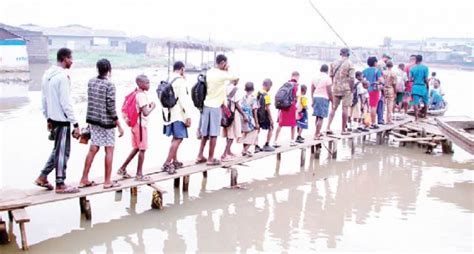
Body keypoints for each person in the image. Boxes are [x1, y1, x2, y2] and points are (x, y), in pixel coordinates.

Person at [35, 48, 81, 194]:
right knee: (63, 152)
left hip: (52, 119)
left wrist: (47, 117)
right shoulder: (62, 77)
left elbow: (43, 99)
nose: (72, 61)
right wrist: (75, 124)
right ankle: (60, 183)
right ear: (64, 58)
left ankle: (43, 176)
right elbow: (65, 103)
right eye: (70, 58)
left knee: (57, 150)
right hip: (62, 120)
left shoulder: (47, 75)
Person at [79, 59, 124, 189]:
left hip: (93, 120)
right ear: (109, 70)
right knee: (109, 149)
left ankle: (84, 178)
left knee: (93, 148)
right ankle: (107, 181)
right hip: (106, 122)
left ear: (97, 68)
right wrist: (119, 124)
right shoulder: (109, 85)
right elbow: (110, 106)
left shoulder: (91, 82)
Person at [196, 54, 239, 166]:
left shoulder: (210, 71)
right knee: (214, 134)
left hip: (206, 105)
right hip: (215, 107)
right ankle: (210, 158)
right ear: (223, 62)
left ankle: (200, 155)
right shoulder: (221, 75)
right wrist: (228, 68)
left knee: (205, 133)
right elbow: (235, 77)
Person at [117, 75, 156, 181]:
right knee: (142, 149)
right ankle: (139, 174)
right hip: (140, 126)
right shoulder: (141, 95)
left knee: (136, 148)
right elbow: (145, 112)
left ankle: (122, 168)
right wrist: (152, 106)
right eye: (147, 83)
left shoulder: (134, 94)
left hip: (134, 124)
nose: (149, 85)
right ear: (141, 84)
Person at [161, 61, 193, 174]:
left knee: (175, 137)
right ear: (182, 69)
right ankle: (167, 163)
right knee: (178, 138)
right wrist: (188, 117)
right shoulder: (180, 81)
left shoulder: (168, 78)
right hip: (178, 114)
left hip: (168, 113)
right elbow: (184, 101)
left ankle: (175, 160)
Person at [326, 48, 355, 135]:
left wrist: (333, 86)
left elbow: (330, 76)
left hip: (335, 88)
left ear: (340, 53)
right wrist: (352, 89)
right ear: (348, 54)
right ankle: (343, 129)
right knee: (345, 108)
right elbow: (352, 78)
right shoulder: (350, 64)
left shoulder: (333, 63)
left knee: (333, 108)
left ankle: (328, 127)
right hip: (346, 89)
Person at [221, 76, 245, 162]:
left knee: (228, 134)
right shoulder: (235, 90)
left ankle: (228, 151)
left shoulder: (224, 88)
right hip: (233, 114)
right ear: (236, 80)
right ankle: (224, 154)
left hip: (224, 113)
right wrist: (244, 115)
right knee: (231, 135)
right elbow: (237, 105)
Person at [274, 71, 300, 147]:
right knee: (293, 123)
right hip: (291, 106)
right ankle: (292, 141)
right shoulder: (295, 85)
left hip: (284, 106)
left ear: (291, 76)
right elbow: (294, 97)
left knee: (280, 124)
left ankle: (275, 141)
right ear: (297, 77)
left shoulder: (286, 84)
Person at [311, 64, 333, 140]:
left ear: (320, 69)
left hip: (316, 97)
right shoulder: (328, 78)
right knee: (321, 117)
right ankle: (316, 135)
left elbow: (312, 89)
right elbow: (329, 92)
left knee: (317, 116)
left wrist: (312, 99)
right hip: (323, 98)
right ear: (327, 70)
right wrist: (332, 101)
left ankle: (317, 132)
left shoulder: (315, 77)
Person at [238, 82, 260, 156]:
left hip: (242, 118)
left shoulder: (243, 97)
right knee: (255, 132)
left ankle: (245, 150)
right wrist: (257, 123)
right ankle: (245, 150)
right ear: (253, 89)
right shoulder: (253, 98)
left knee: (245, 133)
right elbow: (255, 111)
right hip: (249, 118)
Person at [362, 56, 383, 129]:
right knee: (374, 107)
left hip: (366, 90)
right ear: (375, 63)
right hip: (374, 90)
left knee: (367, 107)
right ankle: (373, 123)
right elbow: (381, 80)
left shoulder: (365, 70)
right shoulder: (377, 71)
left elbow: (361, 79)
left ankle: (365, 122)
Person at [255, 79, 275, 152]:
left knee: (257, 129)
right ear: (268, 86)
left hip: (257, 114)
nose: (270, 88)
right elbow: (267, 108)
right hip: (264, 115)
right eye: (270, 87)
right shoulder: (267, 95)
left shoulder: (257, 92)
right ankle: (266, 144)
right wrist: (271, 119)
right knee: (271, 127)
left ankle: (256, 146)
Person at [410, 55, 430, 121]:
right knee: (426, 102)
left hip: (415, 87)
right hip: (422, 87)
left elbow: (410, 79)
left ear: (416, 59)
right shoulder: (425, 68)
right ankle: (425, 115)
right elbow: (426, 79)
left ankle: (416, 117)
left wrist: (415, 79)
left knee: (415, 103)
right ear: (421, 60)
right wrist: (428, 86)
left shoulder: (412, 68)